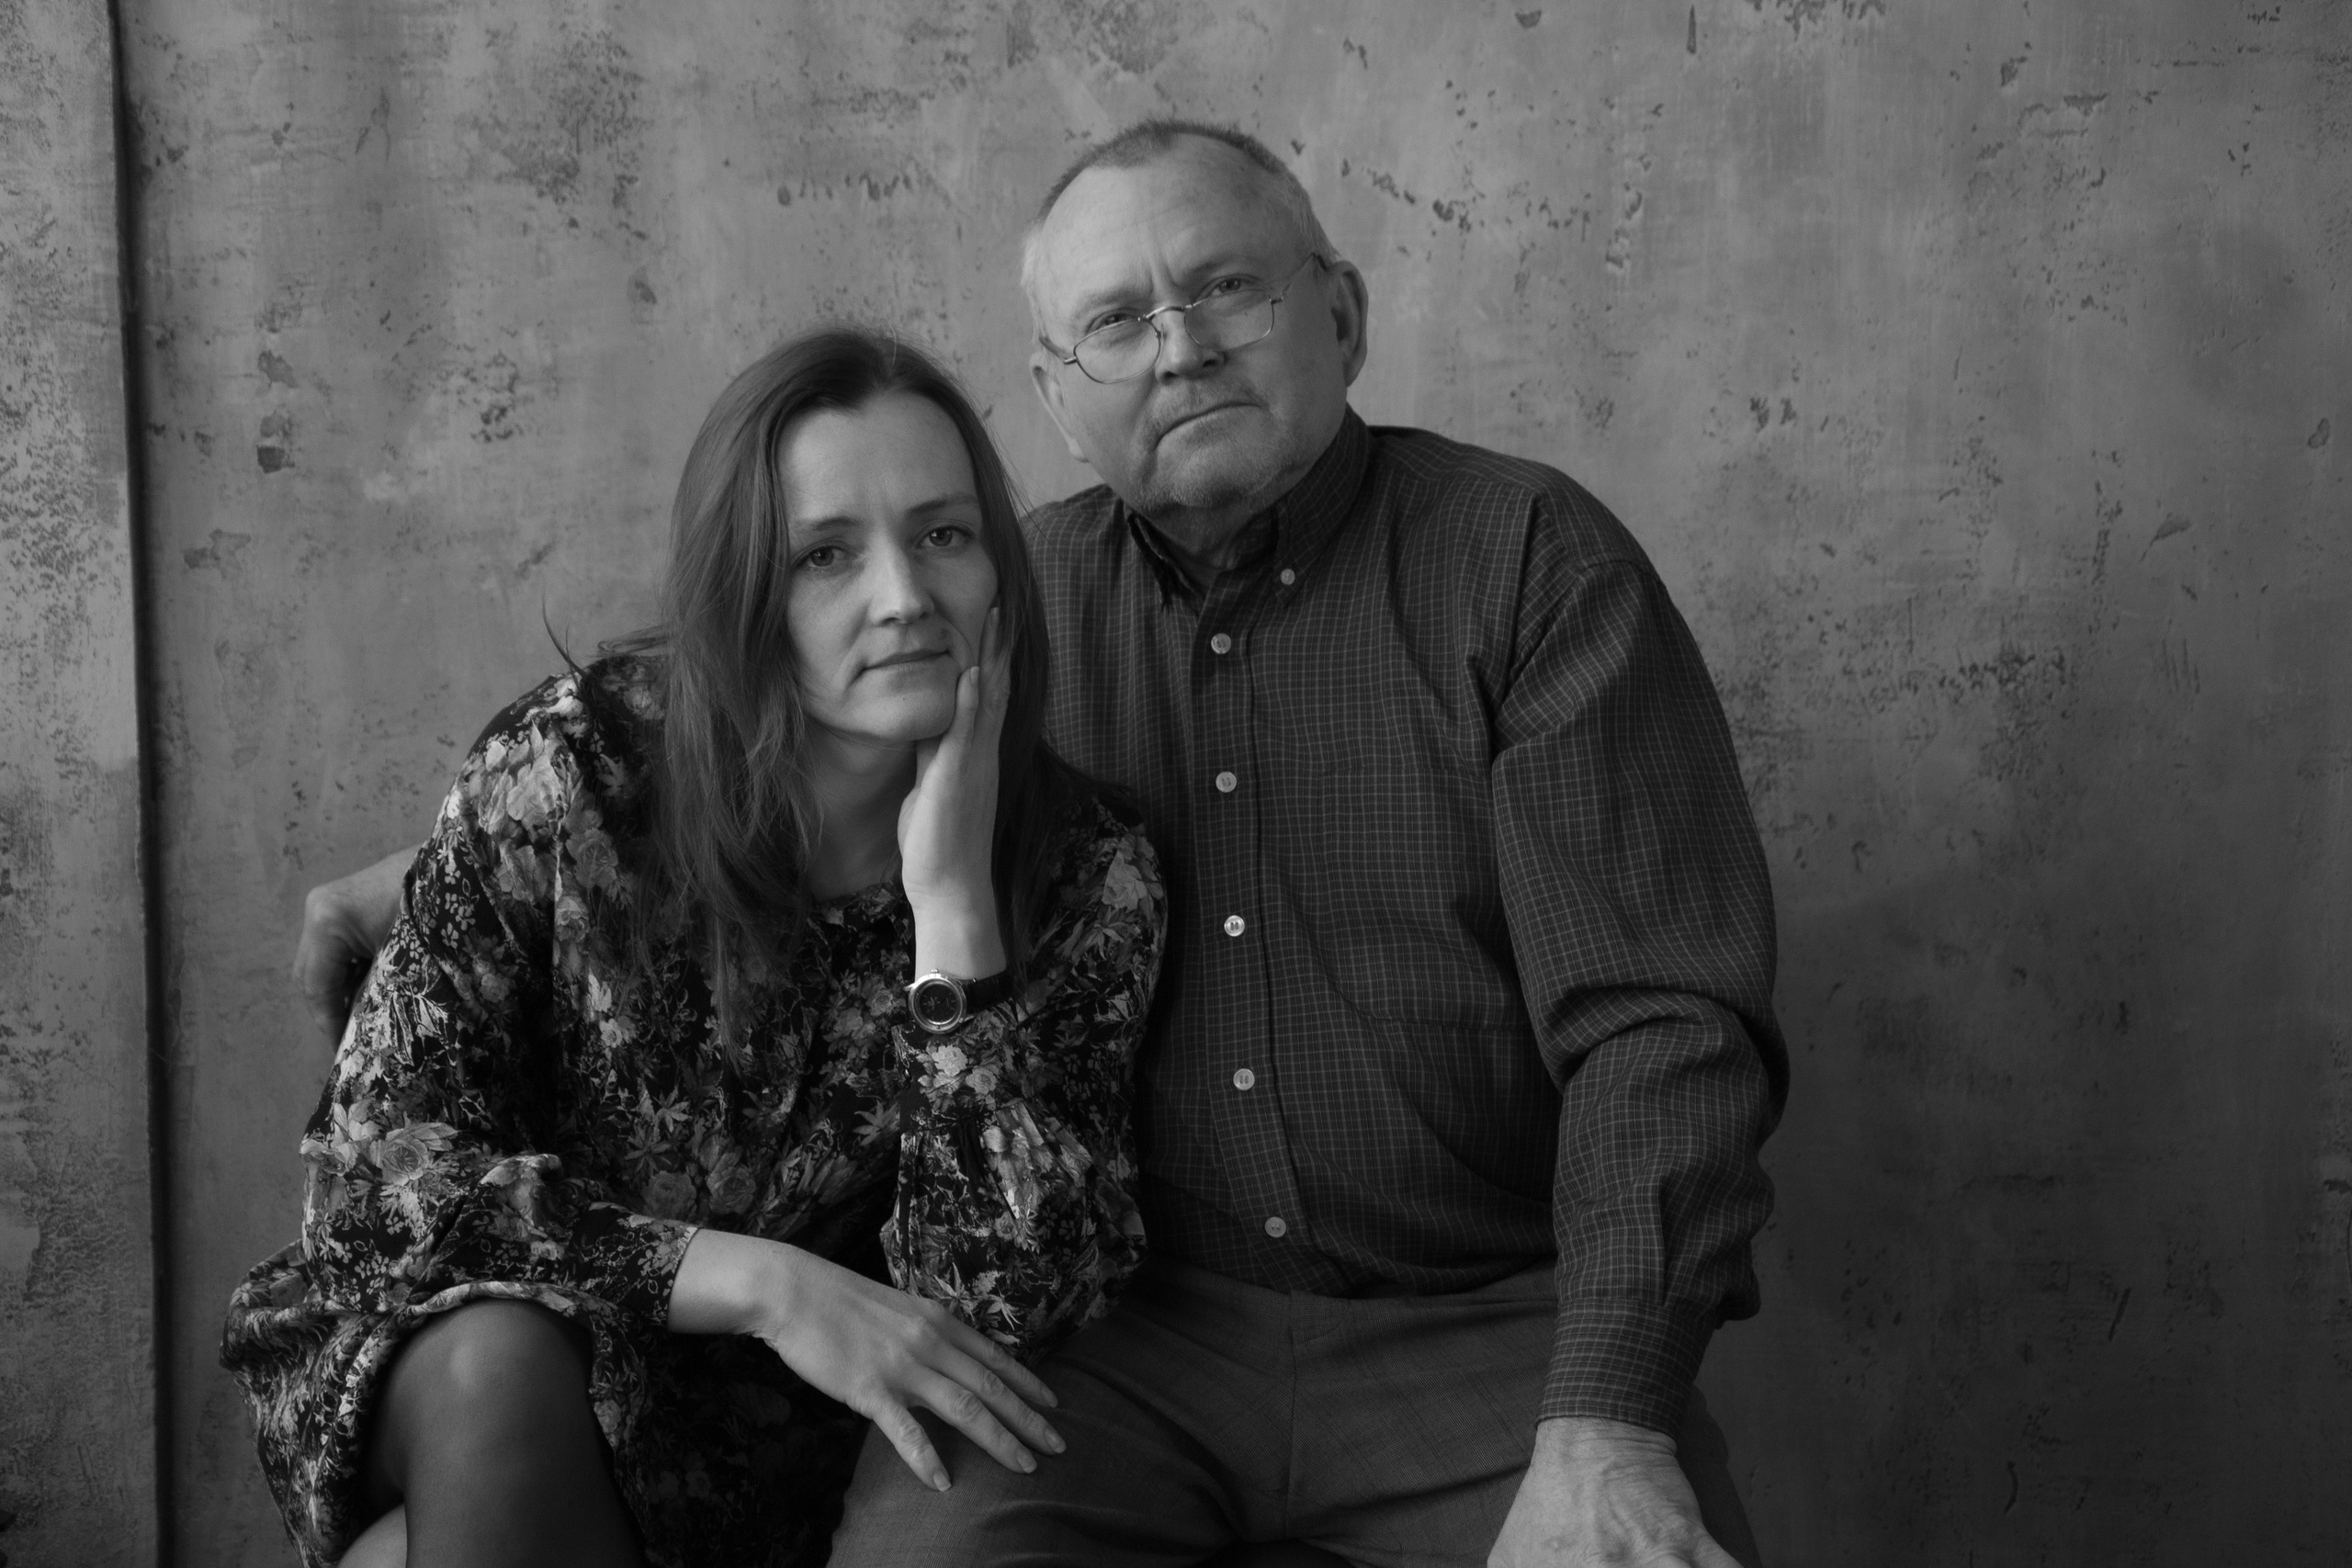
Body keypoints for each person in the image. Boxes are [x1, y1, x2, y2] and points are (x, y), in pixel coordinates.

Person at [297, 121, 1788, 1568]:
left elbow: (1662, 1026)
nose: (1181, 347)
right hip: (1129, 1348)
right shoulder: (986, 618)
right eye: (1117, 320)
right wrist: (443, 862)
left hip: (1477, 1323)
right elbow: (702, 746)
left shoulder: (1521, 566)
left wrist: (1606, 1415)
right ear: (1058, 395)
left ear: (1340, 310)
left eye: (1227, 288)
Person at [224, 328, 1167, 1568]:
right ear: (745, 592)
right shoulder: (575, 774)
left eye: (944, 534)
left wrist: (952, 913)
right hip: (482, 1366)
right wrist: (766, 1283)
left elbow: (1006, 1310)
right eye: (825, 555)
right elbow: (375, 1189)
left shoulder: (1087, 874)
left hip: (781, 1450)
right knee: (497, 1362)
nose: (902, 596)